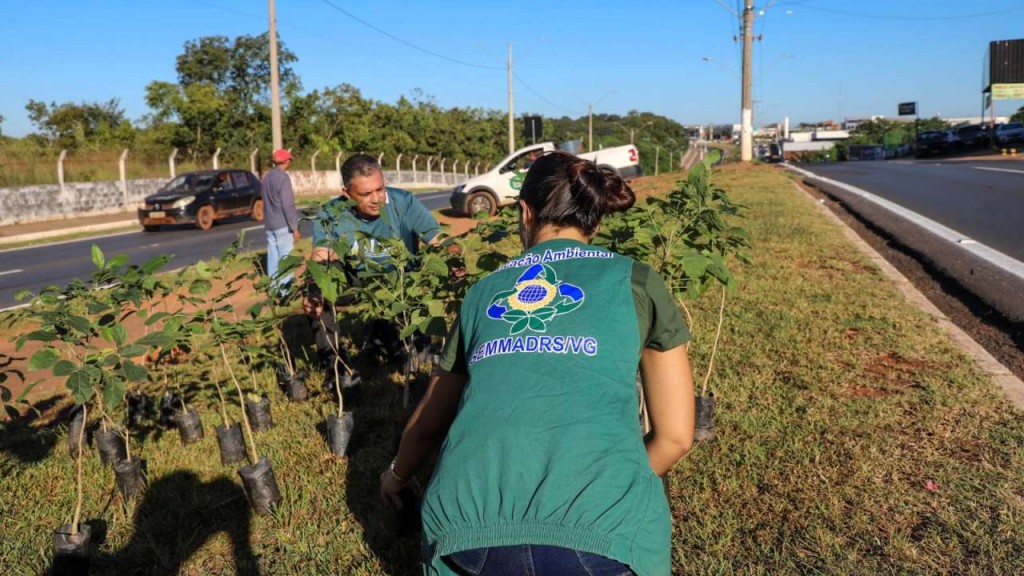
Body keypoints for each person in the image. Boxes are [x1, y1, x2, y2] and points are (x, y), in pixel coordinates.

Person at [380, 151, 696, 576]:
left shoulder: (484, 291)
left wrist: (396, 475)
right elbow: (676, 437)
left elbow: (429, 423)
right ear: (594, 222)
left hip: (467, 534)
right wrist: (615, 488)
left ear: (525, 213)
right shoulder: (636, 280)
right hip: (600, 536)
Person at [303, 153, 441, 380]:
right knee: (319, 294)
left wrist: (454, 261)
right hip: (358, 281)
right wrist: (314, 291)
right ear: (346, 194)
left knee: (416, 354)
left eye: (380, 189)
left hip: (403, 281)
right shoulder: (332, 213)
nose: (376, 199)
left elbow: (438, 241)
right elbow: (321, 258)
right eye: (366, 194)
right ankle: (338, 370)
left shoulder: (404, 202)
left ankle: (396, 337)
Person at [262, 148, 301, 295]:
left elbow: (265, 202)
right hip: (282, 224)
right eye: (289, 160)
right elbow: (288, 205)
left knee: (273, 257)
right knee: (286, 258)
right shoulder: (283, 178)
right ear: (285, 161)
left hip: (269, 224)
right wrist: (295, 228)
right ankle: (285, 292)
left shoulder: (266, 178)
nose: (290, 162)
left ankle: (274, 290)